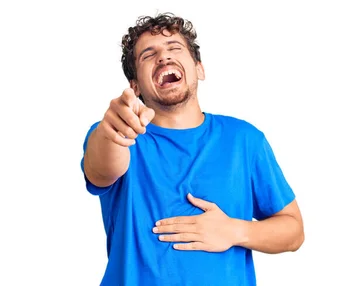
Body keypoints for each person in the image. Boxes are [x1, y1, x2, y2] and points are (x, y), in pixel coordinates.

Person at [80, 12, 304, 285]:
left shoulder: (244, 140)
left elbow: (294, 231)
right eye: (148, 55)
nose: (163, 57)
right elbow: (101, 170)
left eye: (174, 48)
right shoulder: (116, 135)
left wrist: (235, 231)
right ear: (135, 86)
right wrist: (112, 130)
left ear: (199, 68)